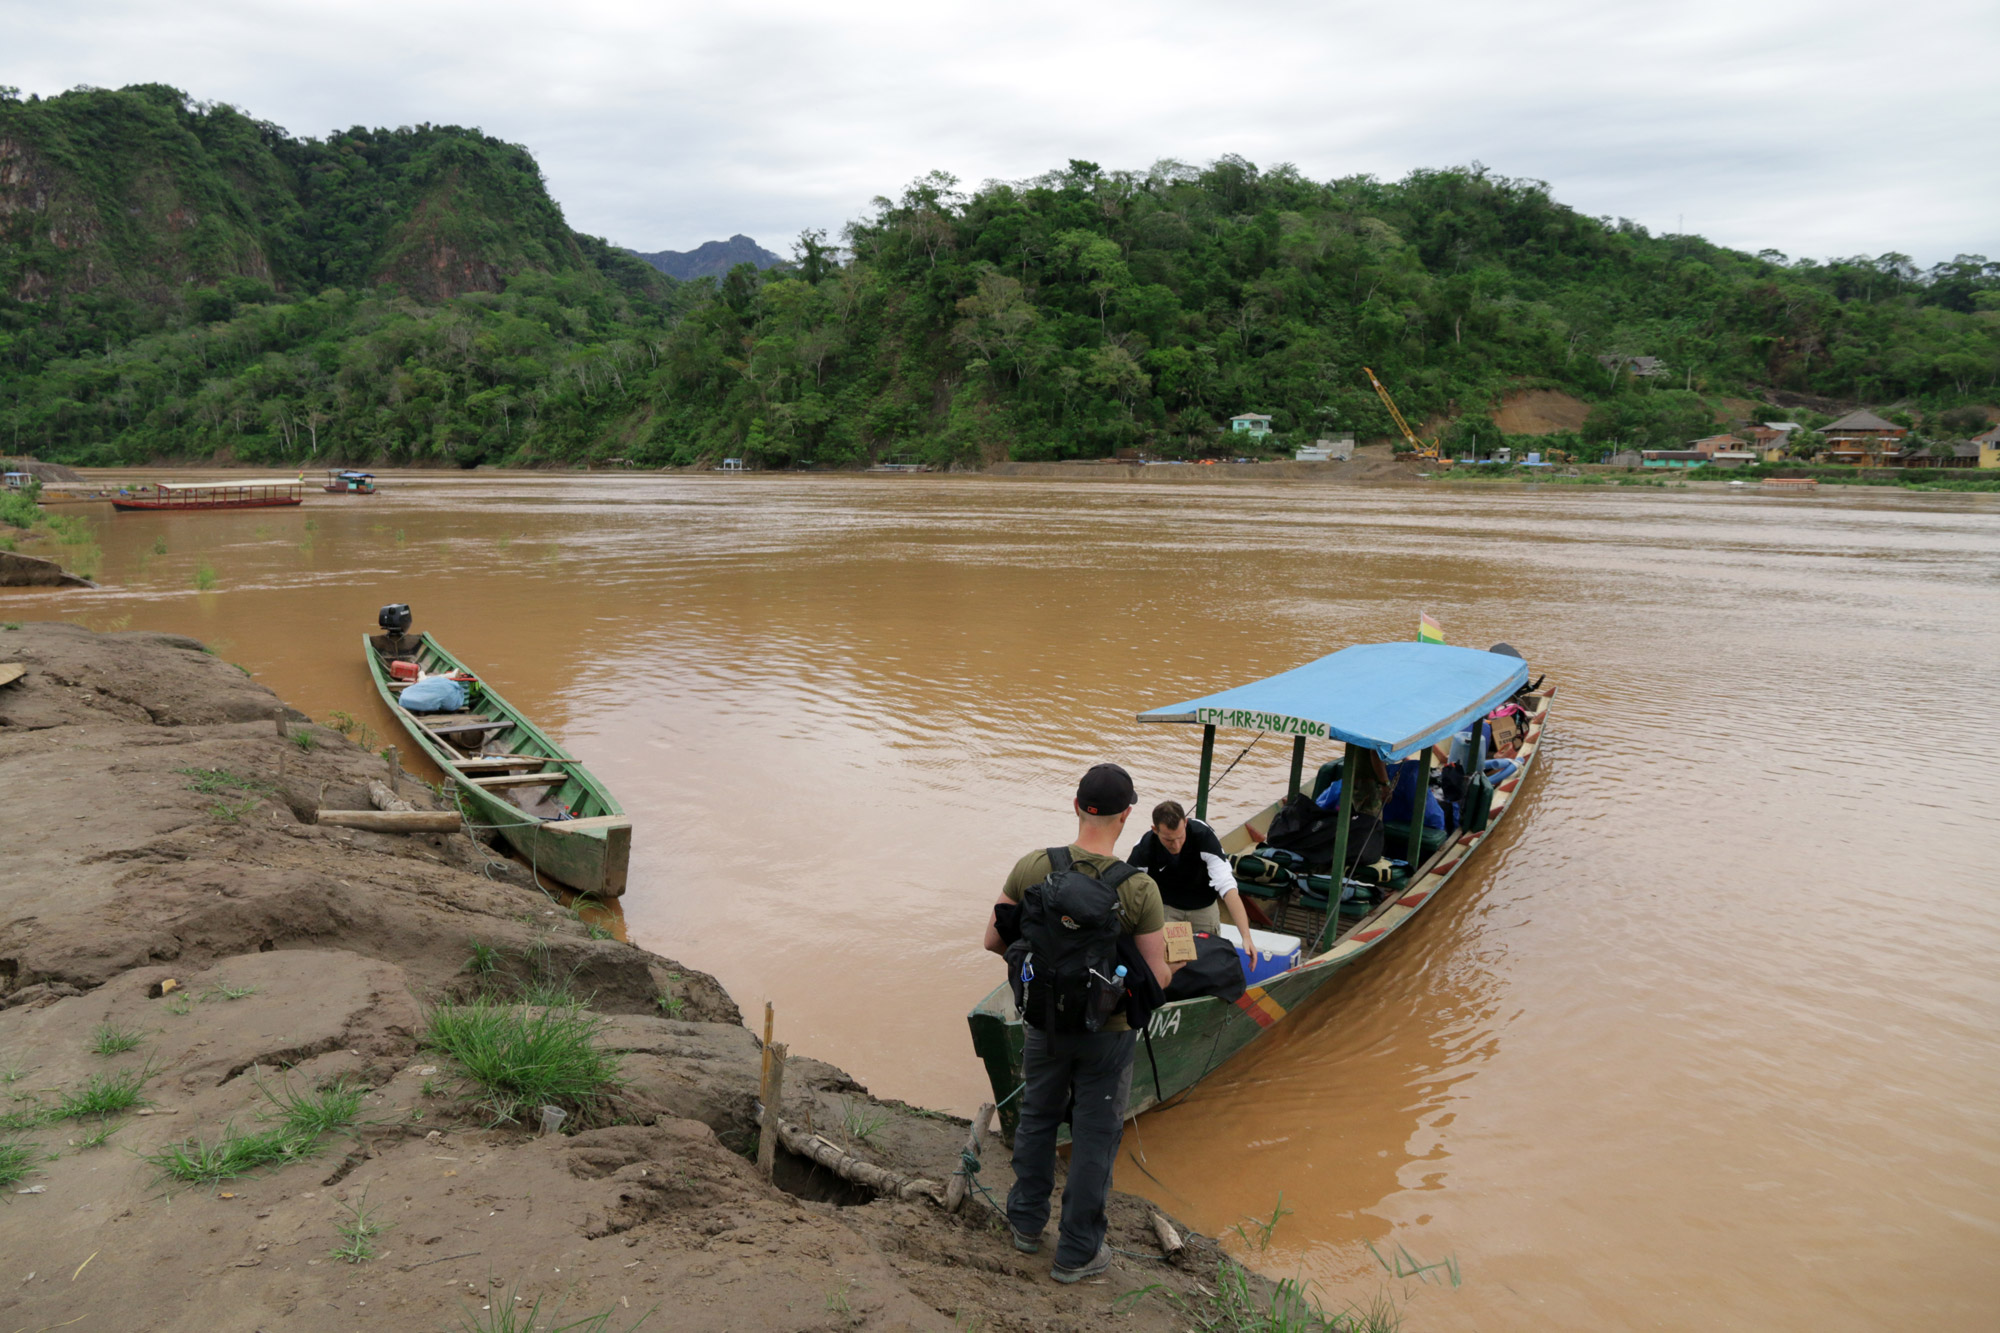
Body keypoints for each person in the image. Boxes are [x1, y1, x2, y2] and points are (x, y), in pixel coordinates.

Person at [981, 762, 1169, 1284]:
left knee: (1038, 1116)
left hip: (1042, 1023)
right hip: (1106, 1037)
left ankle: (1023, 1226)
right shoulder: (1139, 890)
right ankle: (1077, 1253)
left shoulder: (1034, 866)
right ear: (1127, 815)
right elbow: (1156, 976)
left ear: (1077, 805)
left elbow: (995, 940)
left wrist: (1045, 979)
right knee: (1093, 1136)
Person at [1128, 800, 1256, 949]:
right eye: (1168, 840)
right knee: (1171, 961)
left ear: (1186, 823)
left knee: (1208, 959)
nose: (1176, 845)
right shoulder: (1145, 846)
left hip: (1204, 908)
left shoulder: (1203, 836)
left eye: (1180, 837)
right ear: (1155, 830)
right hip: (1168, 909)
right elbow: (1129, 889)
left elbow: (1227, 886)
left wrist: (1246, 937)